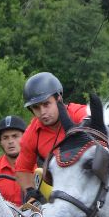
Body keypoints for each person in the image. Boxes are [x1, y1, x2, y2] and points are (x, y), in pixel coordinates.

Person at [14, 72, 88, 205]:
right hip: (60, 194)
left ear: (58, 99)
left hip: (89, 185)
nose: (42, 112)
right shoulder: (31, 134)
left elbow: (99, 126)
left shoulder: (77, 113)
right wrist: (31, 191)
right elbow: (22, 169)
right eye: (36, 107)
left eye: (46, 104)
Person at [0, 115, 26, 206]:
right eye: (5, 138)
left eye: (15, 136)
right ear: (0, 142)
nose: (10, 141)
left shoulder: (40, 166)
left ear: (26, 137)